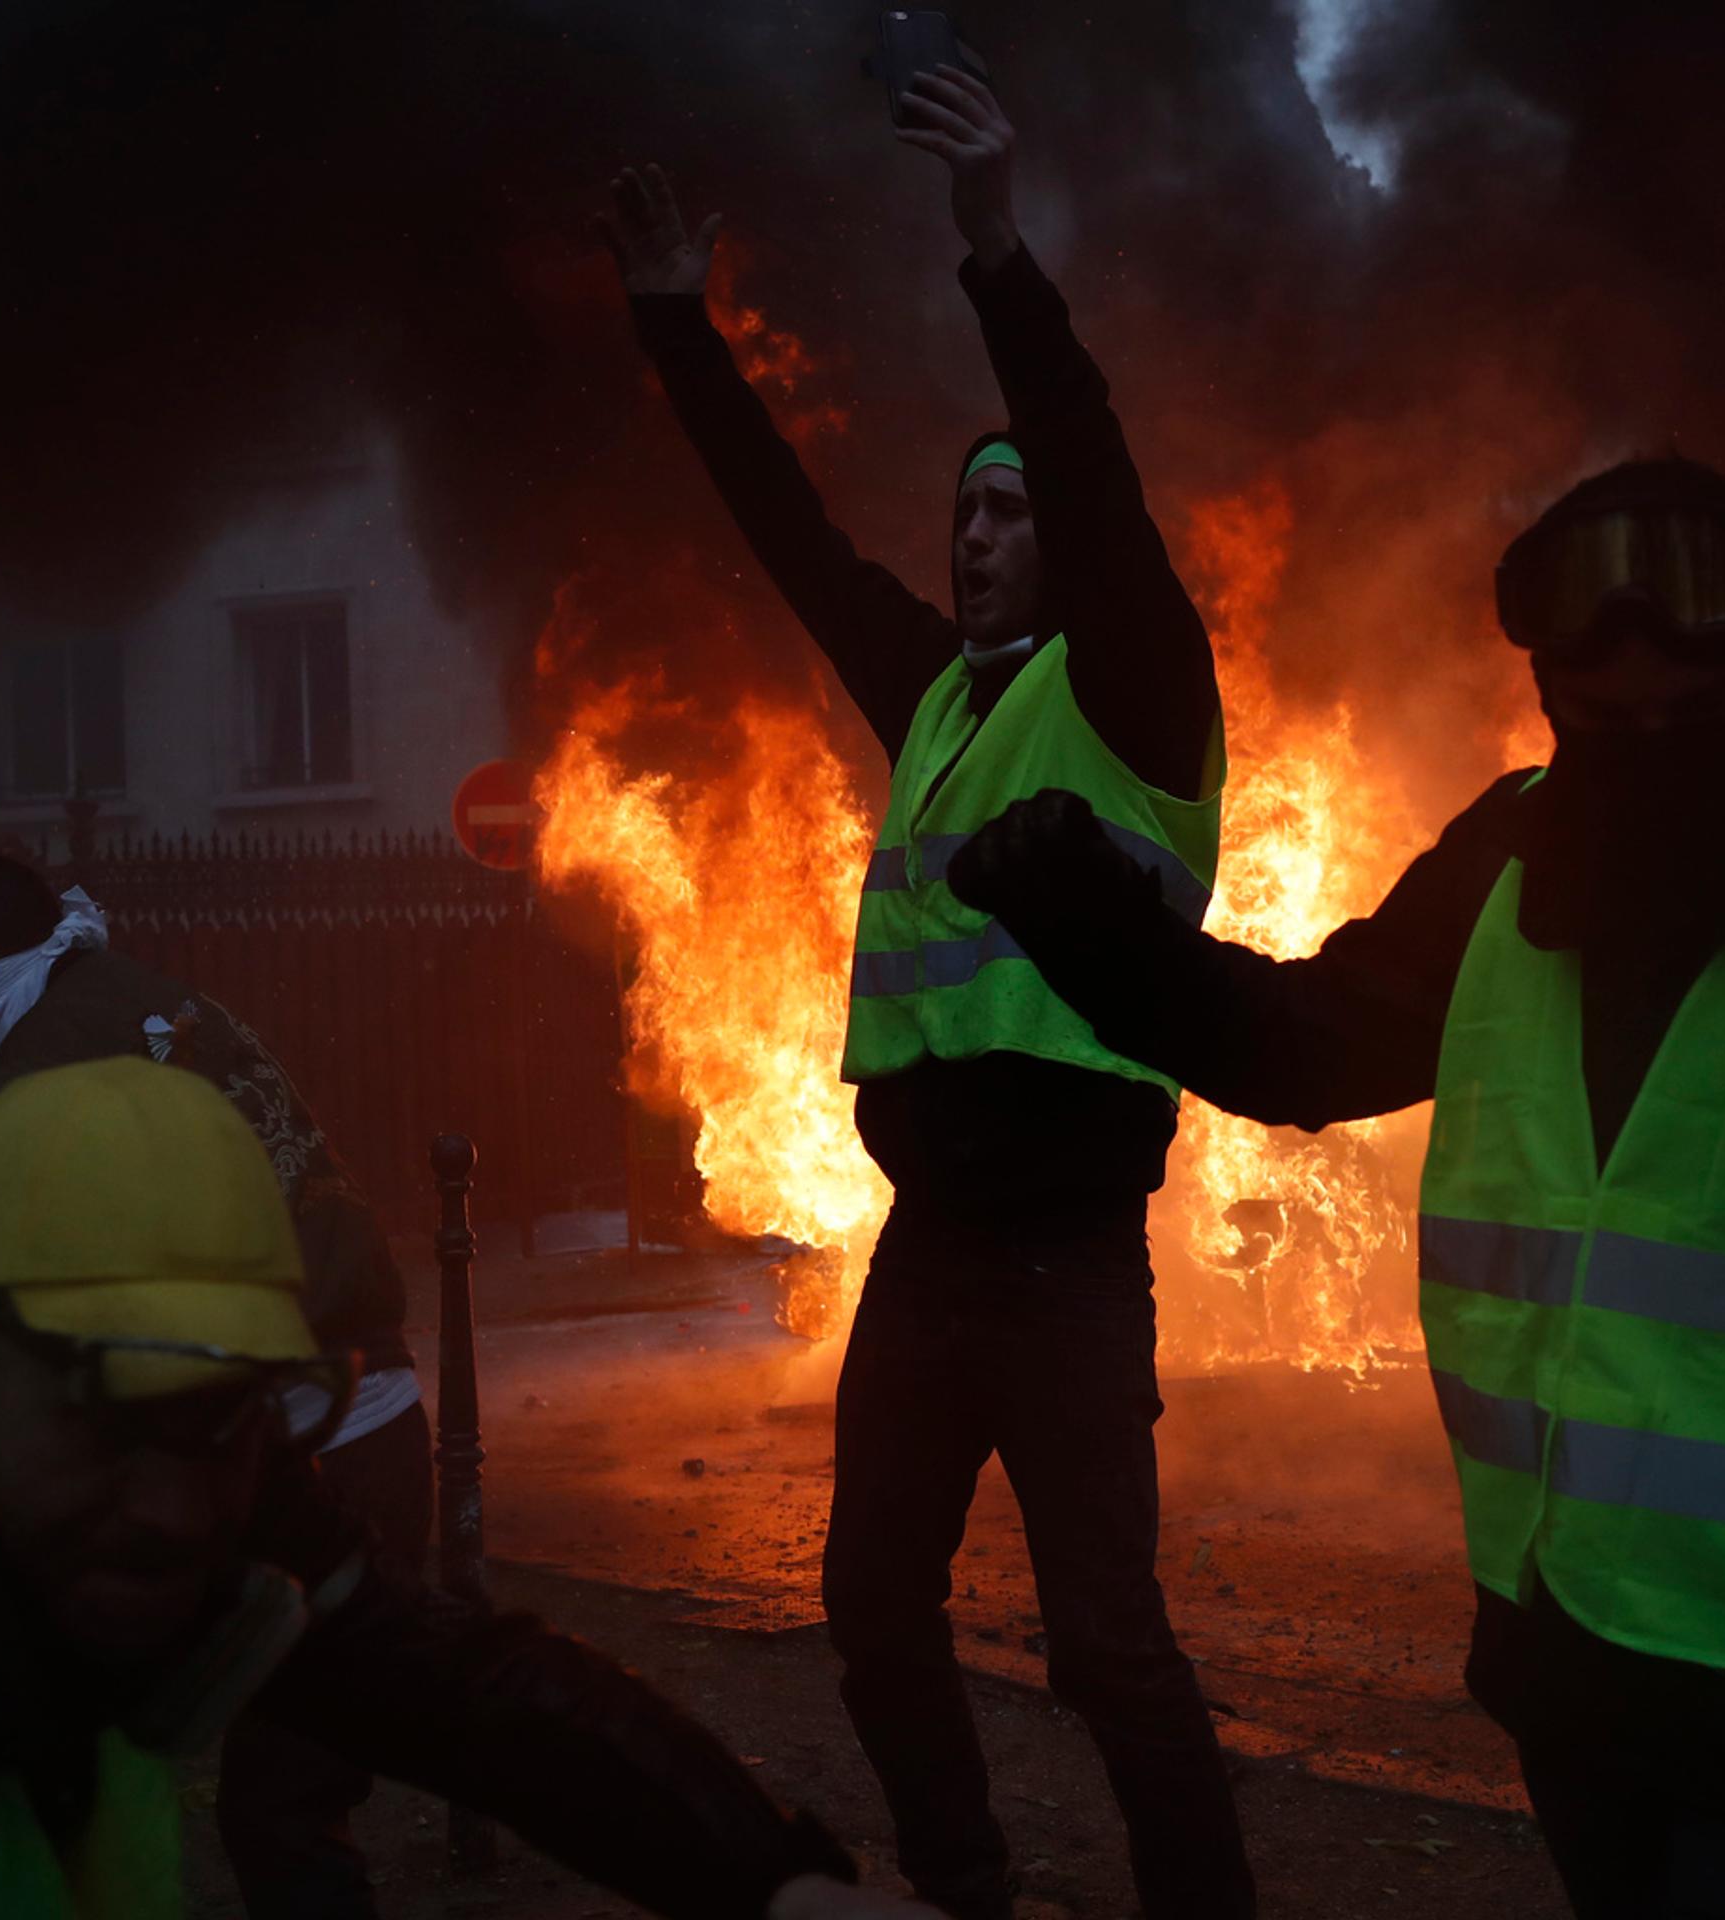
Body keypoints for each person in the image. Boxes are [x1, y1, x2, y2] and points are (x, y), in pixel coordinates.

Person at [950, 458, 1725, 1919]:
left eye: (1688, 699)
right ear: (1549, 682)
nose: (1645, 740)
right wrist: (1089, 924)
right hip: (1575, 1681)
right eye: (1600, 711)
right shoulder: (1515, 863)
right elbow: (1300, 1047)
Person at [596, 63, 1251, 1920]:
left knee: (1108, 1651)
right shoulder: (940, 699)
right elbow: (792, 541)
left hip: (1063, 1263)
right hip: (932, 1245)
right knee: (870, 1617)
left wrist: (994, 252)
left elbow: (1092, 465)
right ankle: (965, 1889)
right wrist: (676, 330)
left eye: (1010, 520)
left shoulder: (1130, 688)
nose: (978, 544)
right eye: (965, 521)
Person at [0, 1056, 933, 1920]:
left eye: (223, 1422)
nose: (182, 1512)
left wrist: (775, 1886)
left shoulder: (175, 1453)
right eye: (107, 1420)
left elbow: (459, 1688)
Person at [0, 840, 430, 1918]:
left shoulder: (57, 1068)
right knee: (290, 1781)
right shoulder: (126, 1001)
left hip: (302, 1444)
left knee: (275, 1808)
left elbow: (75, 1329)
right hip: (327, 1423)